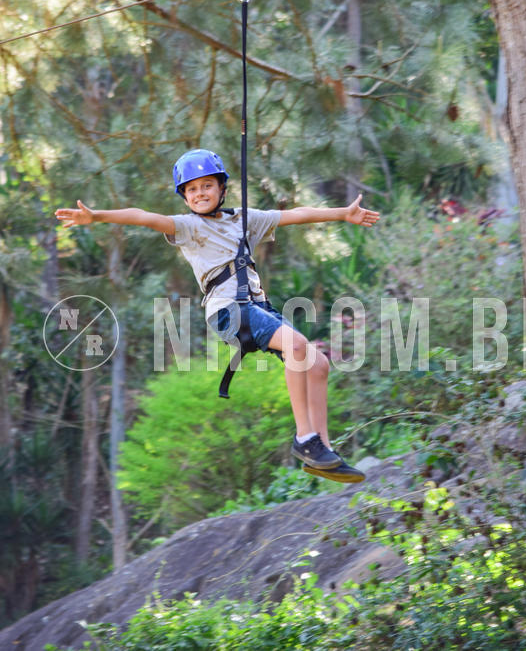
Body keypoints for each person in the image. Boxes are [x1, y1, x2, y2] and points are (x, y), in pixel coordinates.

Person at [55, 148, 380, 483]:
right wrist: (97, 216)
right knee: (296, 346)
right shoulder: (188, 227)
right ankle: (304, 438)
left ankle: (322, 451)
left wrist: (343, 213)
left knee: (318, 364)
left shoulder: (245, 219)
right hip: (226, 310)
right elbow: (145, 217)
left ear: (222, 188)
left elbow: (296, 214)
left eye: (207, 185)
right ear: (184, 196)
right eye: (192, 189)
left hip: (256, 307)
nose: (200, 194)